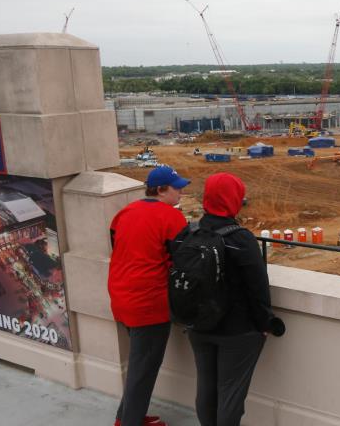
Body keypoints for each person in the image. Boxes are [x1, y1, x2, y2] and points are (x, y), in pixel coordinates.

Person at [188, 172, 284, 426]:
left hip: (198, 326)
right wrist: (266, 323)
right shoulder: (240, 239)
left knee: (206, 389)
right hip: (237, 332)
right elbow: (258, 288)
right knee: (230, 396)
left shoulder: (191, 233)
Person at [108, 165, 190, 426]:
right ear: (161, 190)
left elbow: (118, 246)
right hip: (149, 304)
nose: (181, 192)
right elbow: (182, 261)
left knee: (138, 365)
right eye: (177, 188)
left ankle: (127, 416)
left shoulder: (125, 212)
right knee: (143, 369)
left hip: (122, 297)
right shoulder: (172, 218)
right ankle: (129, 422)